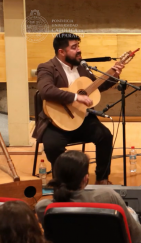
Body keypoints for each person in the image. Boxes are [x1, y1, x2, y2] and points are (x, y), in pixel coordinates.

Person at [32, 32, 124, 184]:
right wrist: (75, 97)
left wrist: (114, 76)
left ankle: (102, 178)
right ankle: (65, 181)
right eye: (74, 47)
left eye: (78, 46)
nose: (79, 50)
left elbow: (96, 88)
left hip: (82, 119)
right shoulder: (47, 67)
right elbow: (45, 90)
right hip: (56, 122)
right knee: (52, 146)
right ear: (61, 52)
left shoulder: (82, 67)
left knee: (105, 136)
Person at [35, 151, 141, 243]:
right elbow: (140, 238)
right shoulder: (109, 197)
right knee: (130, 212)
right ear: (85, 179)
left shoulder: (43, 207)